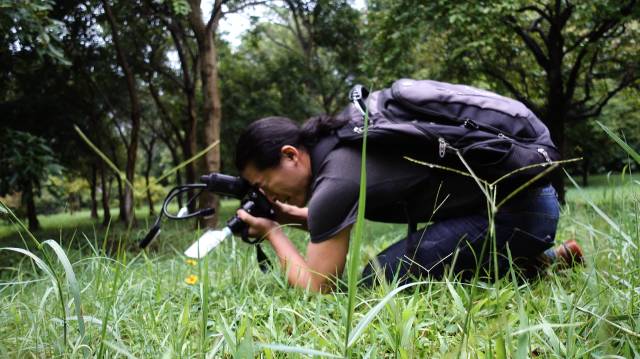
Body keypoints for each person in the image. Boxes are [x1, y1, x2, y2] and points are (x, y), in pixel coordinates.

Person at [235, 115, 583, 293]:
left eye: (265, 184)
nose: (271, 196)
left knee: (379, 282)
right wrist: (290, 216)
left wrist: (272, 232)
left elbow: (319, 287)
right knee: (416, 263)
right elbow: (333, 221)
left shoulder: (334, 183)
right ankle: (546, 259)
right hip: (526, 197)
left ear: (290, 155)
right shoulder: (340, 144)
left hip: (514, 213)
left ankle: (531, 258)